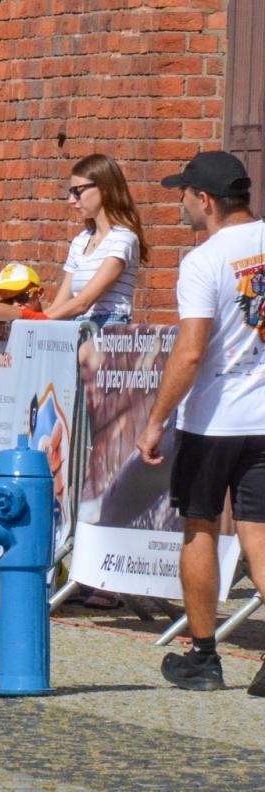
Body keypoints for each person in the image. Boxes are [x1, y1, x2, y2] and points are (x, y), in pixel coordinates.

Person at [135, 151, 265, 693]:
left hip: (213, 419)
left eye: (184, 194)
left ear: (206, 201)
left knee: (200, 527)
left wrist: (155, 420)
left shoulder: (204, 260)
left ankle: (204, 658)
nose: (180, 203)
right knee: (260, 534)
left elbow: (189, 353)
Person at [0, 153, 147, 330]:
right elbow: (59, 305)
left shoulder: (123, 238)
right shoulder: (80, 241)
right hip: (80, 329)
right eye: (71, 192)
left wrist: (29, 320)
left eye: (78, 192)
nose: (72, 200)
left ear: (104, 188)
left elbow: (82, 303)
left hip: (109, 333)